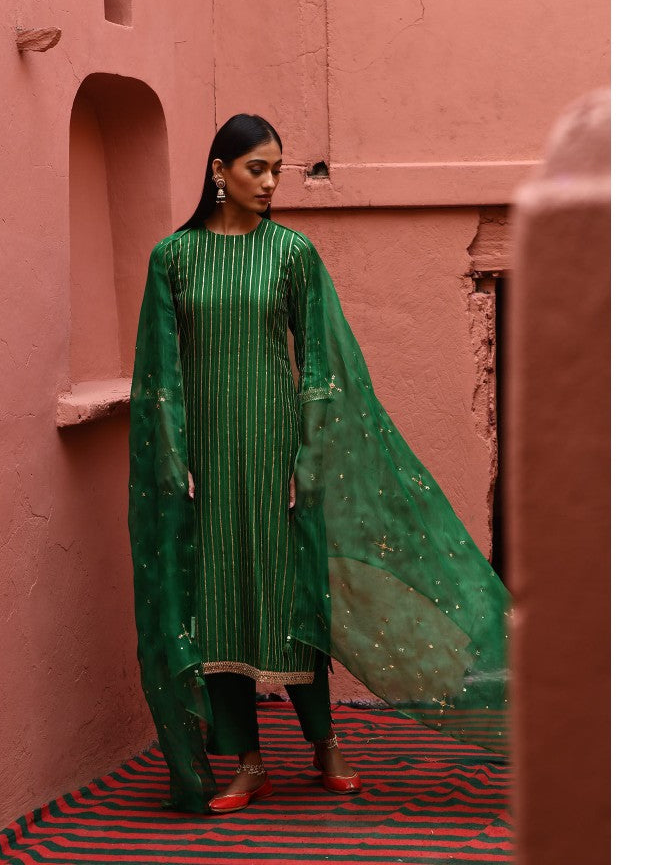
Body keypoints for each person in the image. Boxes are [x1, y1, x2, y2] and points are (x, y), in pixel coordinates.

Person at [127, 114, 510, 816]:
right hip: (208, 458)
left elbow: (321, 367)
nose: (271, 182)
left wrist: (307, 458)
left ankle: (324, 742)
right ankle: (248, 762)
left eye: (278, 169)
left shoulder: (293, 254)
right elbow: (159, 372)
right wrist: (174, 457)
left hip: (277, 450)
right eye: (257, 169)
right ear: (219, 171)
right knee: (220, 602)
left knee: (293, 598)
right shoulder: (173, 258)